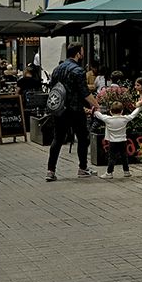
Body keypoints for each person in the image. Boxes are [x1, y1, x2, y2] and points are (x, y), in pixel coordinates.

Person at [45, 43, 99, 181]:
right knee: (83, 137)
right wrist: (96, 105)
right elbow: (85, 93)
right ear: (77, 54)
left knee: (58, 139)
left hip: (60, 110)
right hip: (75, 110)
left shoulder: (57, 69)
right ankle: (83, 168)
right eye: (82, 51)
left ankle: (50, 171)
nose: (83, 54)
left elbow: (53, 88)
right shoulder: (78, 71)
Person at [95, 101, 142, 179]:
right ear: (122, 111)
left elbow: (99, 115)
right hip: (123, 141)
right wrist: (139, 107)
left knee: (112, 158)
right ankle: (126, 171)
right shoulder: (124, 119)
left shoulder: (107, 119)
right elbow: (133, 115)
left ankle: (109, 173)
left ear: (110, 111)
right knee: (124, 157)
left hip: (112, 142)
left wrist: (95, 109)